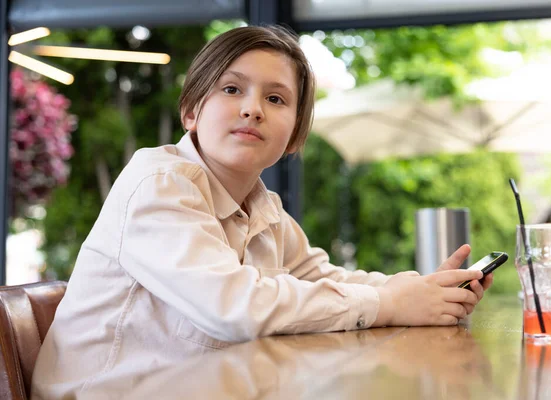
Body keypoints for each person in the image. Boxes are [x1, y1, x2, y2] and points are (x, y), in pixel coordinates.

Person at [31, 25, 492, 399]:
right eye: (232, 89)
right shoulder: (160, 184)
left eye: (276, 99)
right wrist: (391, 303)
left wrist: (421, 289)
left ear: (294, 136)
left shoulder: (262, 206)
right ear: (191, 111)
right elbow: (234, 307)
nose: (252, 109)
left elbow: (321, 276)